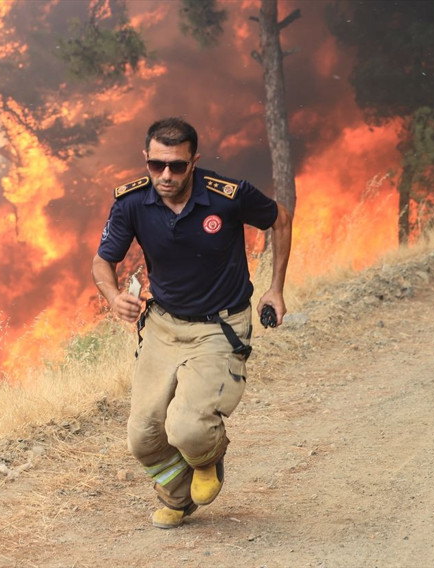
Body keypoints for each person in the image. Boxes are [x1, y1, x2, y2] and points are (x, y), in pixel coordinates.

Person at [92, 117, 292, 529]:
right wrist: (113, 298)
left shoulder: (227, 195)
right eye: (157, 165)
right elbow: (102, 260)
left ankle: (208, 459)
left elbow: (281, 218)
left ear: (194, 161)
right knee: (143, 435)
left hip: (219, 328)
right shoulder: (131, 202)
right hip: (163, 327)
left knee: (187, 429)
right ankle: (177, 499)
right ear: (145, 159)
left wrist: (276, 288)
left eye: (177, 166)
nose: (166, 175)